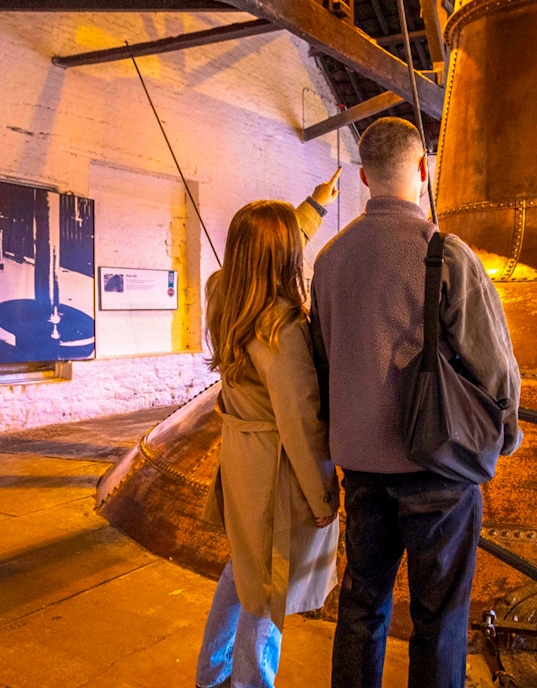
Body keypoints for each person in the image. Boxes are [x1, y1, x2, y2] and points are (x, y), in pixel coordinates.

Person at [310, 117, 522, 688]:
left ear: (363, 177)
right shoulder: (445, 254)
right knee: (439, 617)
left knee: (361, 606)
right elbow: (494, 365)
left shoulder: (328, 260)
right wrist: (505, 435)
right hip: (436, 468)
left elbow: (322, 366)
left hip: (360, 467)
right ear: (424, 169)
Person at [196, 172, 342, 688]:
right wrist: (323, 496)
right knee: (268, 588)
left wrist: (315, 206)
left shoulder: (223, 293)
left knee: (242, 571)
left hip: (240, 458)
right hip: (274, 473)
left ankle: (210, 675)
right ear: (283, 258)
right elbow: (300, 423)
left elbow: (265, 248)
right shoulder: (280, 327)